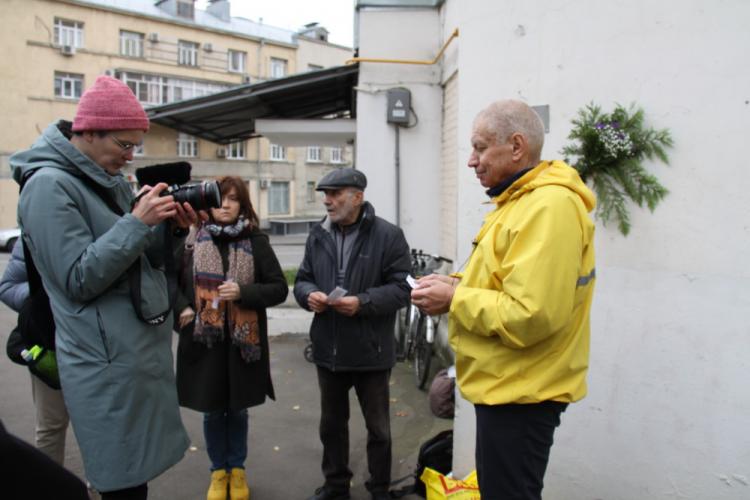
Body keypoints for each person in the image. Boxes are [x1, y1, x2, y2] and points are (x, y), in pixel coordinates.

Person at [9, 75, 196, 499]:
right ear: (89, 132)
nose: (129, 158)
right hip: (104, 363)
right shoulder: (48, 186)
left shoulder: (97, 178)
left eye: (135, 147)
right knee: (122, 485)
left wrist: (172, 231)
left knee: (134, 481)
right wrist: (136, 222)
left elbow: (135, 259)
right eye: (123, 145)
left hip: (128, 358)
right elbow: (78, 278)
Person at [411, 99, 596, 500]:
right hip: (508, 385)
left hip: (523, 391)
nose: (471, 161)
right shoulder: (519, 200)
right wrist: (453, 281)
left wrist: (455, 297)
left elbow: (532, 314)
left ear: (516, 147)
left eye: (479, 148)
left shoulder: (549, 207)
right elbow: (501, 277)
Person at [294, 168, 412, 500]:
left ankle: (379, 489)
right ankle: (335, 487)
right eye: (325, 194)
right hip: (328, 348)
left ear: (357, 197)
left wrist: (362, 302)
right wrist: (309, 295)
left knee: (379, 430)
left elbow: (403, 289)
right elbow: (302, 278)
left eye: (335, 194)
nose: (327, 201)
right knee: (331, 426)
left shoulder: (389, 235)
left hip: (371, 351)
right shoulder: (318, 234)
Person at [173, 176, 288, 500]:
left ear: (242, 205)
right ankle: (217, 473)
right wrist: (181, 307)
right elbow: (168, 281)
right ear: (206, 203)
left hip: (242, 344)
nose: (225, 205)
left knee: (237, 409)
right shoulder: (191, 239)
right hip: (204, 341)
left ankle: (237, 471)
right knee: (212, 410)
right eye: (218, 199)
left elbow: (279, 288)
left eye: (233, 199)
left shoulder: (256, 242)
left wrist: (244, 292)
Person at [0, 240, 70, 464]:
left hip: (99, 348)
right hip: (49, 347)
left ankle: (98, 488)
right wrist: (45, 297)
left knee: (99, 426)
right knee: (51, 424)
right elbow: (7, 287)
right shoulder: (32, 233)